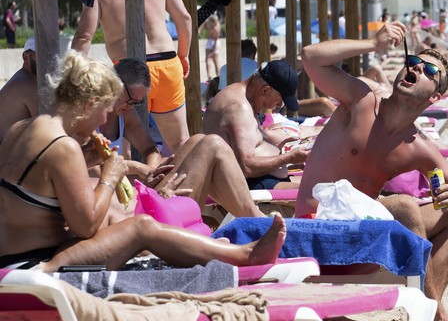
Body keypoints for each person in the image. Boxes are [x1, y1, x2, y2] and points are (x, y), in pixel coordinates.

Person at [0, 51, 286, 272]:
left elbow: (32, 192)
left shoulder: (23, 129)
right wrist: (110, 176)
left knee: (133, 223)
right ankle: (244, 255)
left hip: (13, 255)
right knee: (141, 227)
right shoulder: (63, 147)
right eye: (105, 110)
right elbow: (86, 225)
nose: (104, 119)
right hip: (34, 264)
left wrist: (90, 166)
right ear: (87, 105)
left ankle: (223, 248)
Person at [297, 22, 448, 321]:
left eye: (428, 70)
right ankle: (434, 316)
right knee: (406, 207)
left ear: (434, 96)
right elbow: (311, 56)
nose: (416, 69)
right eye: (413, 63)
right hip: (317, 228)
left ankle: (427, 306)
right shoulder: (362, 100)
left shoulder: (416, 147)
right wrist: (372, 43)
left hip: (361, 236)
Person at [104, 58, 266, 220]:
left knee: (197, 140)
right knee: (213, 145)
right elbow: (90, 170)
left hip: (129, 192)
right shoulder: (88, 119)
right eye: (130, 100)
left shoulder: (124, 112)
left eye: (137, 103)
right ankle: (257, 220)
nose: (131, 106)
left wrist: (153, 172)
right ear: (113, 85)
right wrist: (135, 167)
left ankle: (254, 218)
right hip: (119, 203)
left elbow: (149, 149)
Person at [72, 0, 192, 154]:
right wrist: (183, 55)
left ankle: (137, 186)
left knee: (125, 147)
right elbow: (185, 18)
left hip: (128, 74)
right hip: (167, 64)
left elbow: (84, 36)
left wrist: (71, 75)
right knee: (180, 143)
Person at [202, 60, 308, 190]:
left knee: (324, 183)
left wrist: (280, 148)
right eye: (279, 100)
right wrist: (288, 158)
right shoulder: (239, 108)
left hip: (263, 179)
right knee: (320, 195)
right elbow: (246, 167)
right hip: (253, 185)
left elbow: (250, 145)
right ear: (265, 90)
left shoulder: (244, 98)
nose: (280, 105)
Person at [0, 36, 39, 142]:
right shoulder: (27, 84)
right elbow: (48, 126)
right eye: (40, 55)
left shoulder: (26, 78)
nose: (46, 59)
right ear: (26, 57)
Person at [201, 13, 222, 80]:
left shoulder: (215, 27)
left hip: (214, 42)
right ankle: (216, 75)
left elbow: (216, 38)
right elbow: (203, 26)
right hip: (212, 42)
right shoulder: (210, 22)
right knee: (214, 60)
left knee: (210, 59)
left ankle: (211, 75)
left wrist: (213, 48)